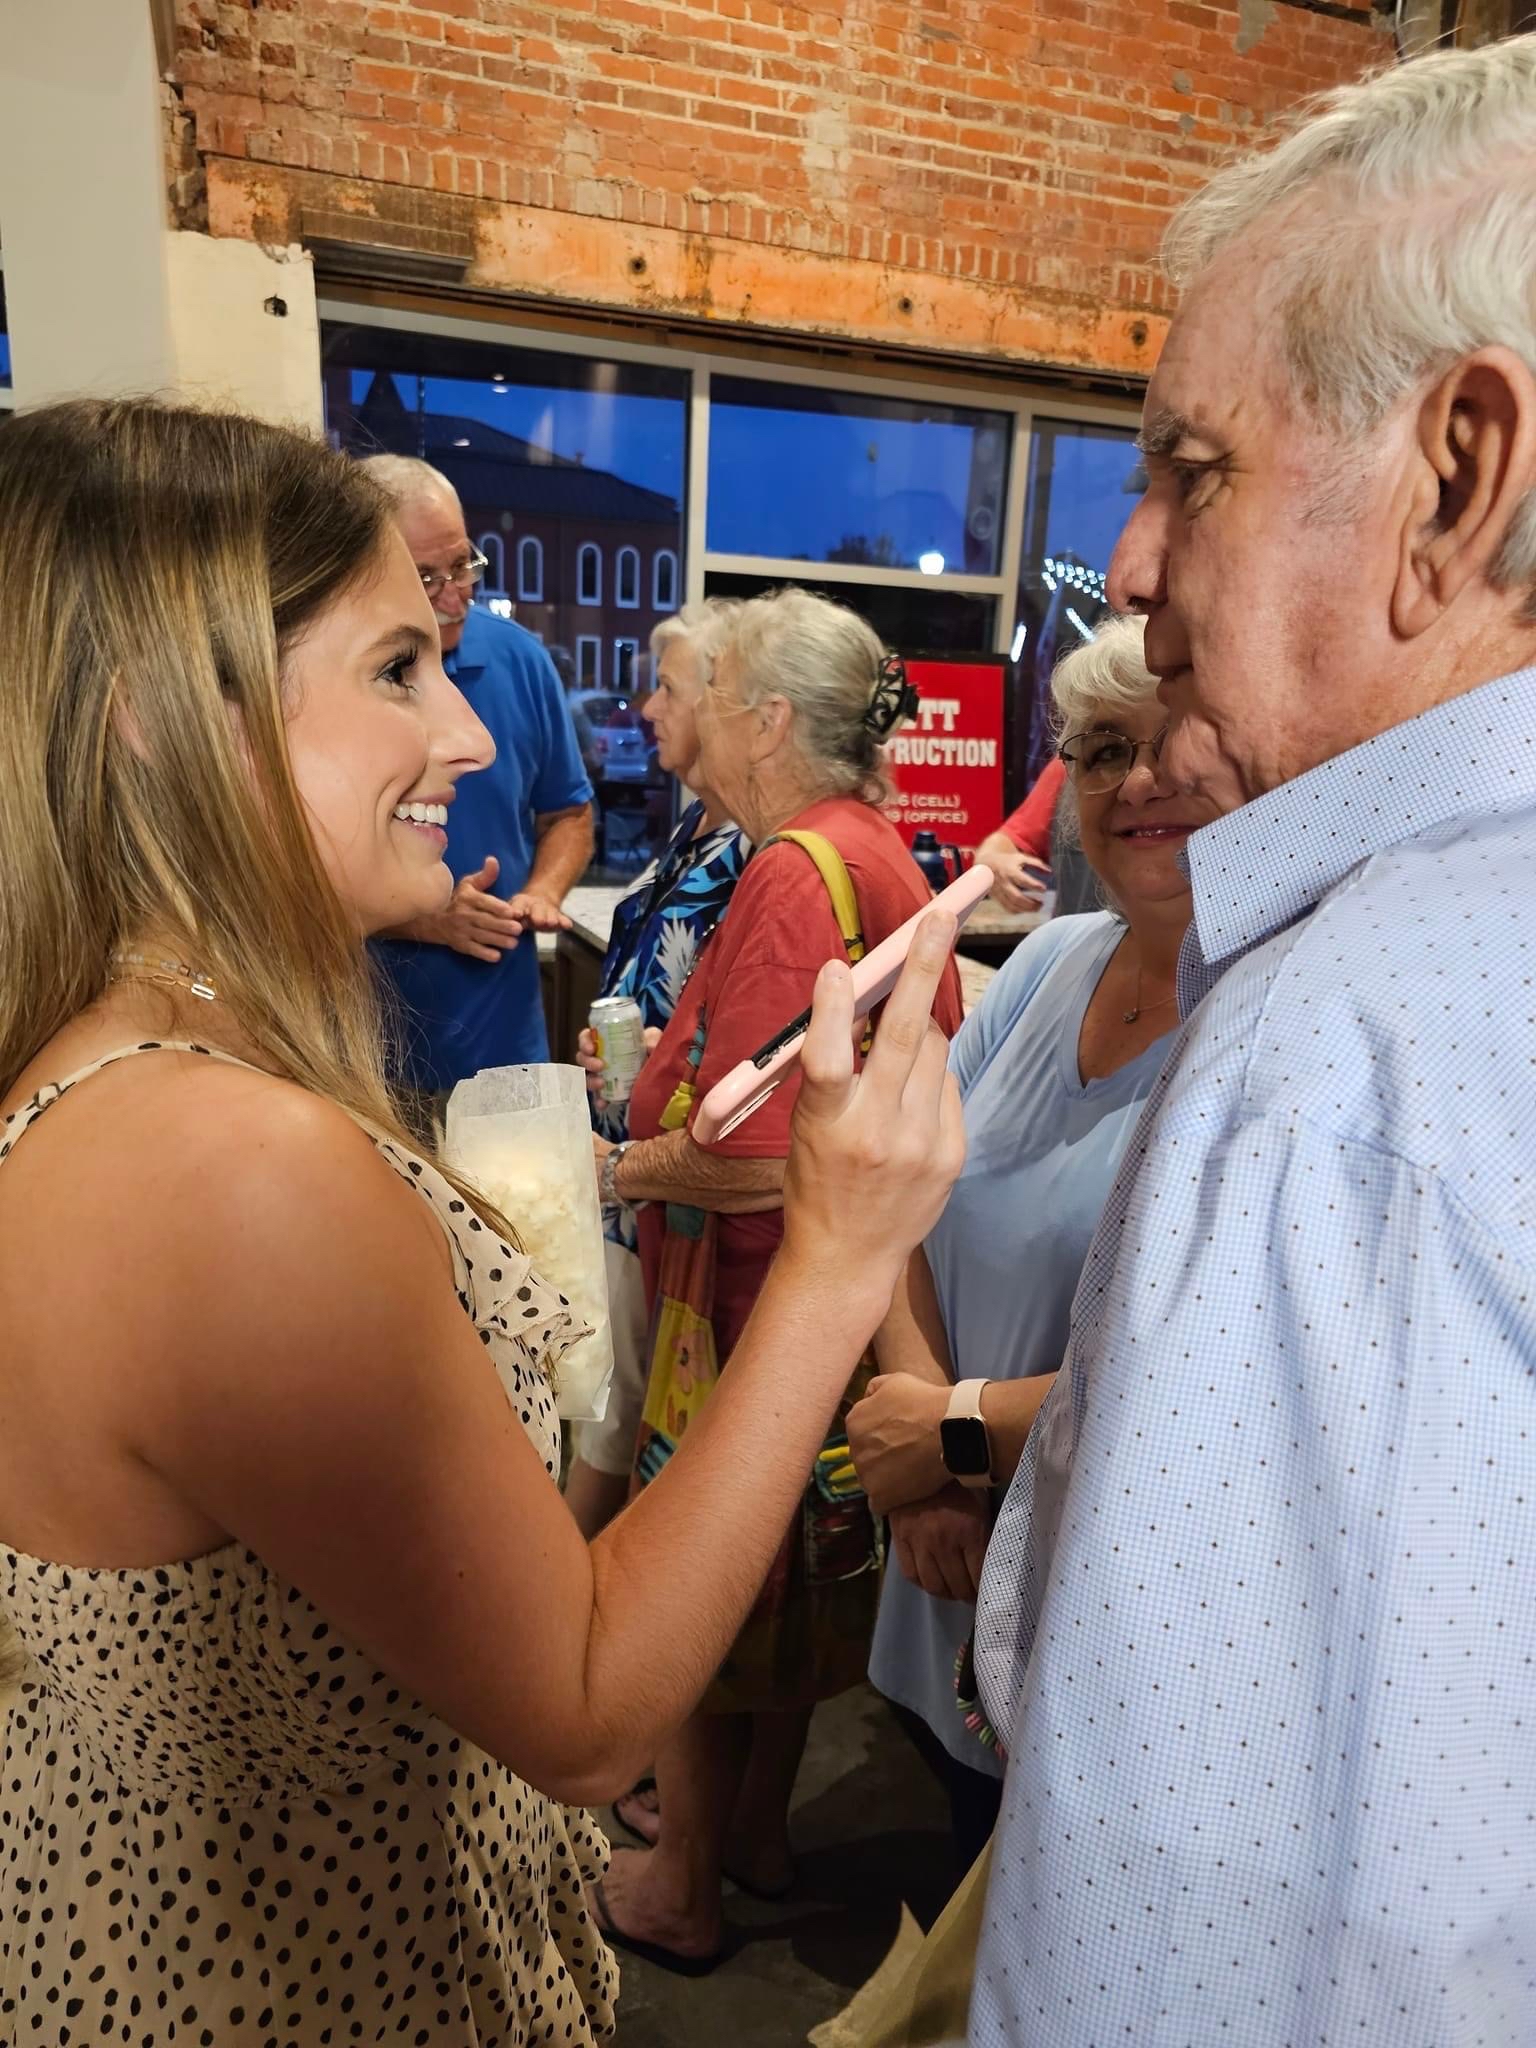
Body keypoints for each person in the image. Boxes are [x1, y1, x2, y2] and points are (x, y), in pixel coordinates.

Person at [0, 399, 966, 2047]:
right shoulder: (239, 1167)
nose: (465, 735)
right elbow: (583, 1713)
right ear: (161, 720)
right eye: (393, 669)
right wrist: (840, 1252)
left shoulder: (106, 1070)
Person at [971, 36, 1536, 2047]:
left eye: (1189, 468)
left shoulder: (1341, 1060)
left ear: (1456, 477)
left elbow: (1179, 1951)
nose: (1131, 567)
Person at [590, 587, 966, 1971]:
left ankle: (680, 1880)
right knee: (789, 1594)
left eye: (713, 691)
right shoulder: (878, 853)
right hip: (828, 1316)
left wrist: (626, 1174)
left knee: (699, 1585)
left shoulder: (791, 869)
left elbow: (757, 1156)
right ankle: (749, 1834)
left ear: (764, 719)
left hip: (751, 1312)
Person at [848, 616, 1229, 1874]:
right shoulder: (1051, 957)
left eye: (1175, 740)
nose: (1138, 780)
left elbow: (1213, 1377)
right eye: (1105, 748)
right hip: (942, 1543)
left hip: (1102, 1602)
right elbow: (899, 1191)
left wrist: (949, 1427)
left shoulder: (1268, 1023)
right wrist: (924, 1446)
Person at [562, 601, 750, 1538]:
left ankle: (576, 1611)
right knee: (604, 1396)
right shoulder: (695, 829)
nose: (644, 708)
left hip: (669, 1185)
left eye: (666, 688)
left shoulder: (757, 849)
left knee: (623, 1413)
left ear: (724, 701)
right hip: (627, 1161)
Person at [362, 455, 594, 1102]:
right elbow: (285, 881)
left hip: (505, 1051)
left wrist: (543, 891)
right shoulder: (328, 681)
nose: (455, 593)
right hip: (364, 1056)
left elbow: (569, 814)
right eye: (427, 576)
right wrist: (426, 919)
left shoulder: (522, 661)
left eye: (463, 565)